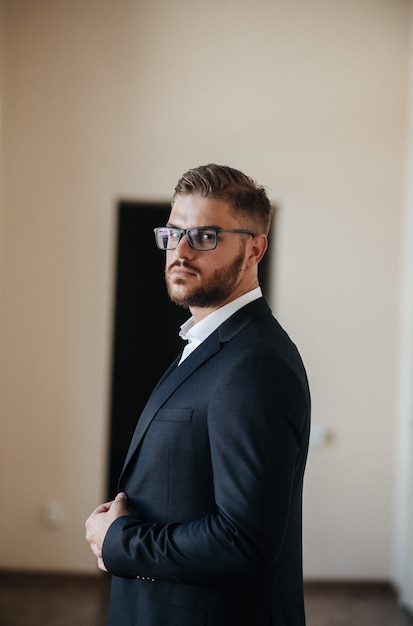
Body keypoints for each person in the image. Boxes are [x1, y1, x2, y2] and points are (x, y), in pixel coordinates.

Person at [85, 164, 311, 626]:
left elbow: (244, 539)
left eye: (205, 236)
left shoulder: (255, 363)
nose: (180, 251)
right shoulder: (207, 344)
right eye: (173, 233)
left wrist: (119, 543)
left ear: (254, 248)